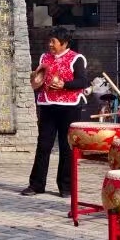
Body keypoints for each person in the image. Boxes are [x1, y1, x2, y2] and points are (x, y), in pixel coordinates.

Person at [22, 28, 89, 197]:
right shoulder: (44, 58)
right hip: (48, 105)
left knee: (66, 147)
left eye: (54, 41)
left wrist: (64, 85)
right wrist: (35, 80)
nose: (50, 44)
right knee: (43, 145)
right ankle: (36, 185)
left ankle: (65, 187)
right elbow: (39, 78)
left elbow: (82, 81)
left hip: (69, 107)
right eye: (50, 41)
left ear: (64, 43)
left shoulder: (76, 58)